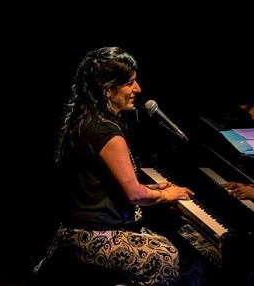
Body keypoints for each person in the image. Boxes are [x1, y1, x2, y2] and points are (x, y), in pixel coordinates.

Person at [32, 46, 208, 286]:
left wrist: (154, 189)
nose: (138, 89)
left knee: (177, 243)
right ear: (108, 90)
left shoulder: (84, 119)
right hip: (94, 237)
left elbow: (100, 184)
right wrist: (167, 194)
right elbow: (134, 194)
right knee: (173, 257)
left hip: (76, 231)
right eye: (130, 83)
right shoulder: (107, 133)